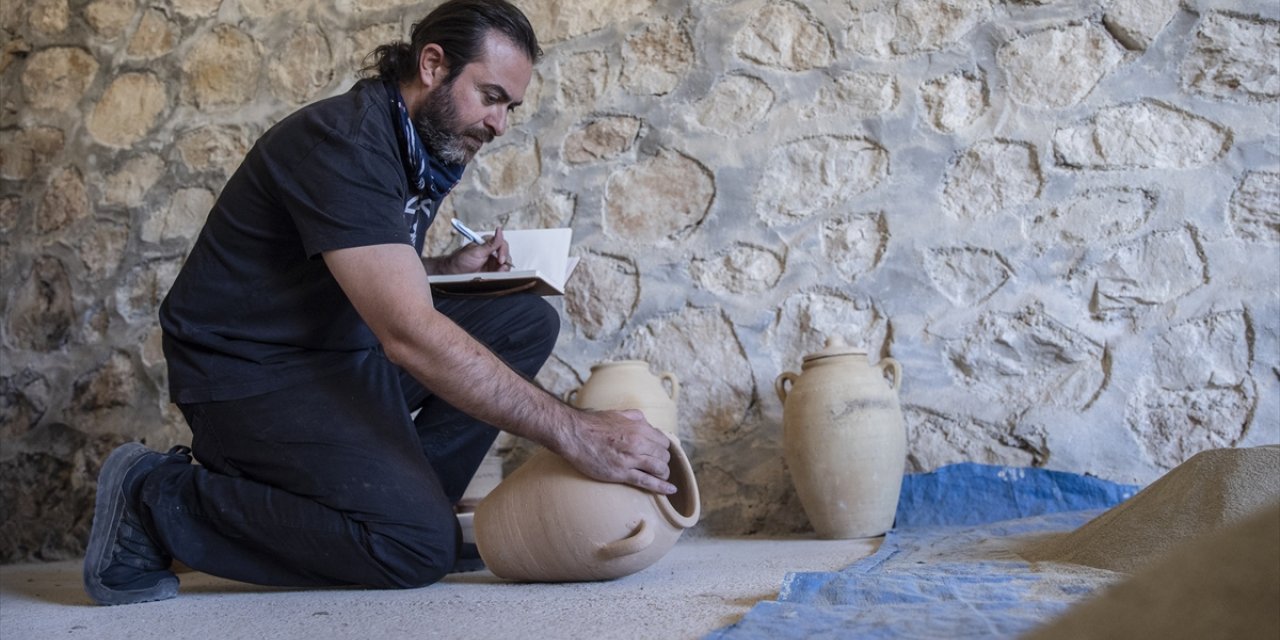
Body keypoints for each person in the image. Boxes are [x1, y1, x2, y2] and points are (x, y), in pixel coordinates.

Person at [83, 0, 675, 606]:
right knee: (414, 550)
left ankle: (409, 509)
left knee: (522, 319)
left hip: (334, 352)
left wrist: (443, 268)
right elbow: (407, 332)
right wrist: (576, 433)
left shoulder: (421, 141)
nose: (499, 123)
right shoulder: (343, 144)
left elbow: (356, 267)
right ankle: (156, 497)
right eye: (491, 96)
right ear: (433, 64)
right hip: (246, 374)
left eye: (510, 107)